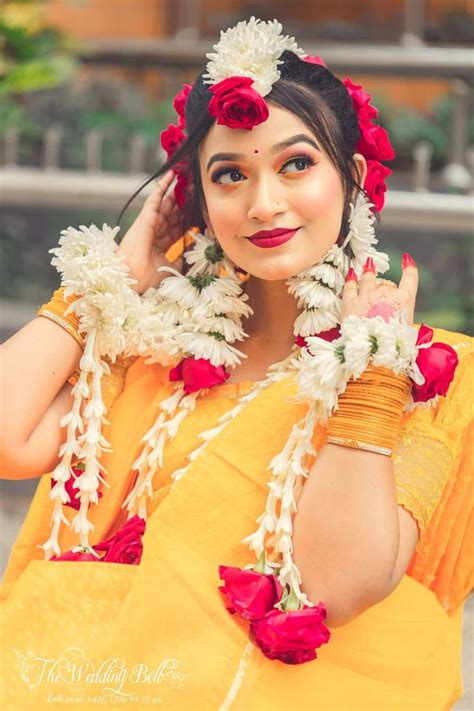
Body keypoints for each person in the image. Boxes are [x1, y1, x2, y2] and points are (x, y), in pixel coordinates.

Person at [0, 16, 472, 711]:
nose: (264, 204)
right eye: (230, 174)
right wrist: (105, 285)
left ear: (355, 175)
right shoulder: (154, 351)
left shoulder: (427, 373)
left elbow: (333, 587)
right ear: (194, 196)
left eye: (296, 164)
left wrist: (371, 380)